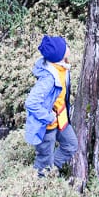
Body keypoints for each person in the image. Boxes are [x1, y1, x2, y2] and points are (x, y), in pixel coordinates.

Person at [24, 35, 78, 175]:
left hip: (61, 119)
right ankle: (40, 181)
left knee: (71, 145)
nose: (68, 47)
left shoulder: (62, 67)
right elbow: (31, 103)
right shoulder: (49, 78)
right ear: (59, 55)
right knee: (44, 160)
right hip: (47, 126)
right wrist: (49, 117)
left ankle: (51, 170)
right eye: (65, 46)